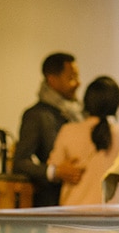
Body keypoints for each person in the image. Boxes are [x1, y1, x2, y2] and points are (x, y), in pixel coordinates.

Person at [12, 52, 85, 207]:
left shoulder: (82, 112)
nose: (78, 83)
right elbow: (20, 162)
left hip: (82, 197)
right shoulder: (37, 115)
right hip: (54, 202)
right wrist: (55, 172)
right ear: (52, 79)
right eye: (71, 78)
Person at [48, 76, 119, 205]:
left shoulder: (68, 131)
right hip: (111, 218)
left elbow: (55, 169)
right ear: (117, 104)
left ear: (86, 102)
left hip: (71, 218)